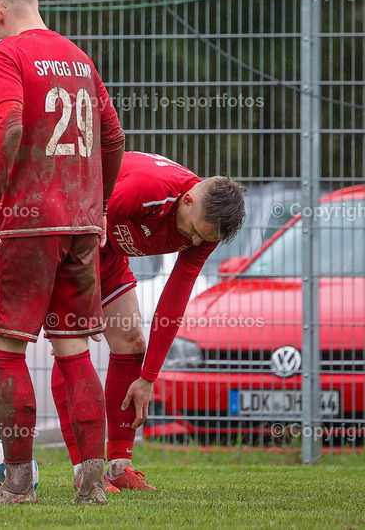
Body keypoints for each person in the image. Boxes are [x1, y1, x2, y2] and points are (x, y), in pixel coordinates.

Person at [0, 0, 126, 506]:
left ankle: (16, 487)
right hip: (81, 224)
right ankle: (91, 485)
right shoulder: (79, 57)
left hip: (30, 222)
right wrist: (98, 206)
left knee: (6, 352)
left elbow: (8, 122)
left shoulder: (4, 53)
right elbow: (113, 134)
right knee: (74, 352)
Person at [51, 151, 246, 491]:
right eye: (195, 232)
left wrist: (149, 377)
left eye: (205, 240)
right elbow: (78, 226)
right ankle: (84, 467)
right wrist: (83, 303)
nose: (196, 243)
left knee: (132, 343)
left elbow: (175, 296)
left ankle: (118, 467)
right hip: (70, 240)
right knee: (72, 344)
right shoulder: (148, 189)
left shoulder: (206, 227)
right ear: (188, 200)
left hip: (108, 253)